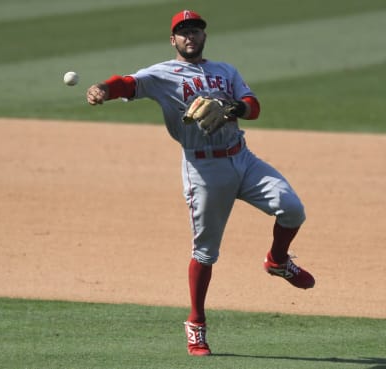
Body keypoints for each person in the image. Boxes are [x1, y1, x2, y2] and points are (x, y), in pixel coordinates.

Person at [86, 10, 315, 356]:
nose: (189, 36)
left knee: (292, 209)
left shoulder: (226, 71)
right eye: (183, 32)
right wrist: (103, 88)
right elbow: (128, 83)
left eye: (195, 31)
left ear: (204, 36)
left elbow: (253, 107)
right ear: (173, 40)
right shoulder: (162, 74)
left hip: (243, 158)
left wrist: (232, 107)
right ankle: (196, 324)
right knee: (206, 253)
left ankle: (278, 261)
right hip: (204, 171)